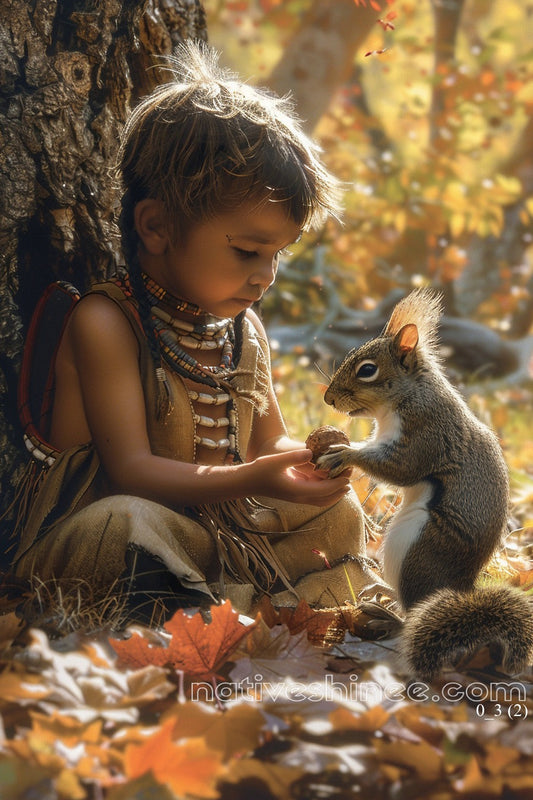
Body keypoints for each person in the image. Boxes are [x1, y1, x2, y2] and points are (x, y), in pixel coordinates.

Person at [13, 42, 375, 621]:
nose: (264, 277)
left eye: (278, 255)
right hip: (125, 526)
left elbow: (268, 444)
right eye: (248, 251)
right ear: (156, 226)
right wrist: (252, 478)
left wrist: (316, 460)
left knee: (341, 514)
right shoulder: (106, 322)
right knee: (123, 525)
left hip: (214, 533)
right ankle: (242, 609)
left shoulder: (242, 329)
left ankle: (236, 611)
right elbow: (130, 471)